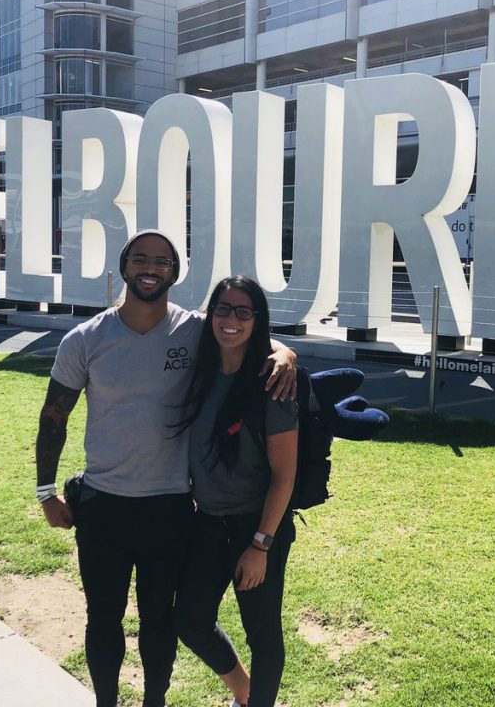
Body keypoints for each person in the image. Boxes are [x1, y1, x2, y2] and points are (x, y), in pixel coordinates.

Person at [35, 230, 296, 707]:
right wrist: (45, 492)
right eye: (140, 259)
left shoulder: (193, 329)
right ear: (124, 266)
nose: (150, 268)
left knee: (160, 621)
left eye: (161, 260)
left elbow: (243, 331)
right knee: (103, 620)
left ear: (175, 272)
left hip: (172, 509)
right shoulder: (84, 339)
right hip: (102, 506)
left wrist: (286, 353)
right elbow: (54, 418)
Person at [173, 276, 299, 707]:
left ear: (257, 320)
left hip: (255, 528)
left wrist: (260, 546)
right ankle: (245, 694)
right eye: (223, 309)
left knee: (263, 635)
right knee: (190, 619)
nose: (231, 319)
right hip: (207, 523)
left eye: (244, 312)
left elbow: (285, 475)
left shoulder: (272, 383)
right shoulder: (201, 368)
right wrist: (286, 350)